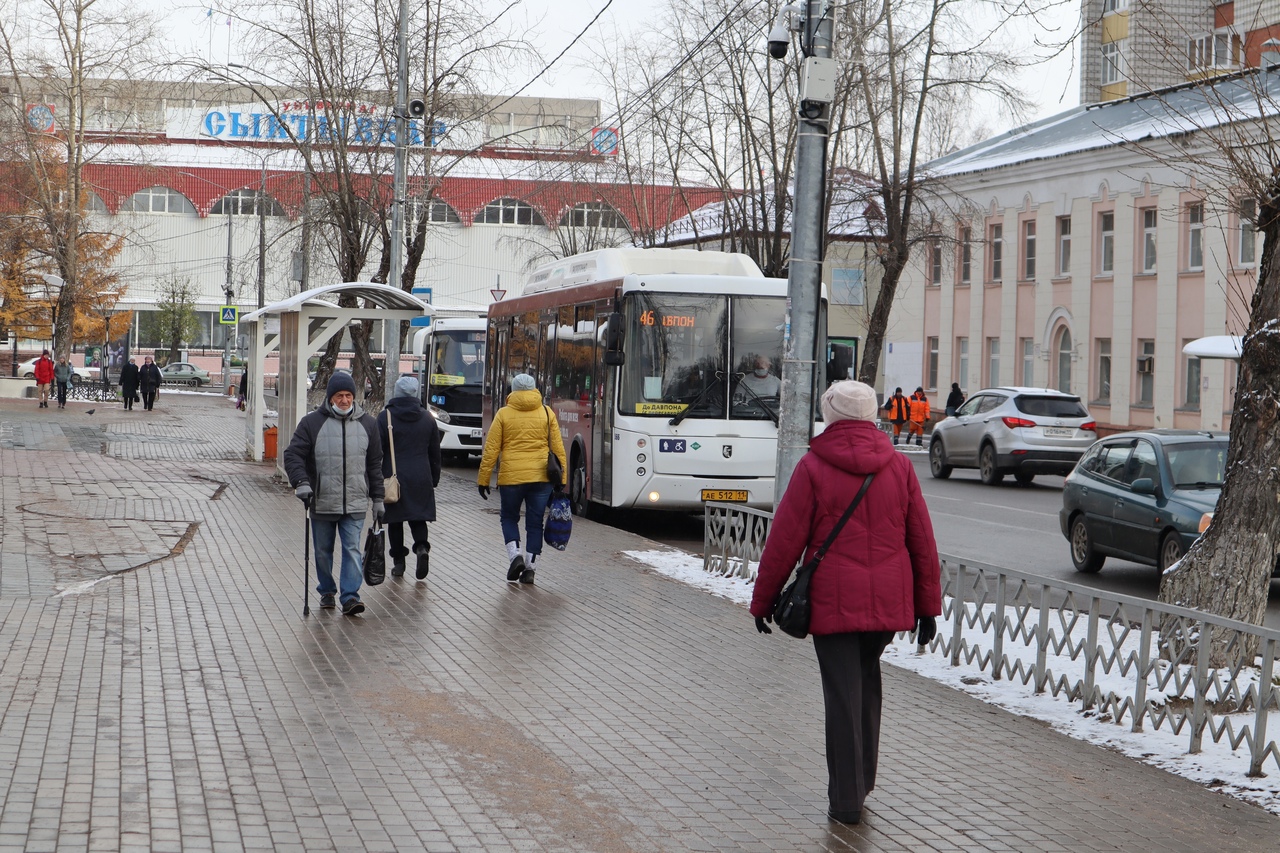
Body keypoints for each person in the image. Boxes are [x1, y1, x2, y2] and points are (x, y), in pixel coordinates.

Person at [750, 379, 941, 826]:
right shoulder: (898, 465)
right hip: (888, 602)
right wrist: (928, 607)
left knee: (842, 695)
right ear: (873, 415)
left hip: (833, 602)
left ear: (830, 415)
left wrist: (763, 601)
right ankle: (862, 783)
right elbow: (922, 541)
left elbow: (784, 540)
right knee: (866, 686)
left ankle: (847, 800)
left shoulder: (813, 466)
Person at [283, 372, 385, 616]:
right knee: (322, 552)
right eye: (339, 395)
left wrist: (378, 498)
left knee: (352, 549)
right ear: (330, 398)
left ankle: (350, 597)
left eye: (348, 395)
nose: (344, 400)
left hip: (356, 500)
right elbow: (293, 454)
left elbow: (374, 465)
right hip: (322, 500)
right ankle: (327, 591)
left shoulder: (369, 424)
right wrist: (301, 482)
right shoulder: (311, 423)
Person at [477, 373, 567, 585]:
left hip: (511, 478)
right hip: (541, 478)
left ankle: (515, 556)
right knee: (535, 523)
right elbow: (558, 448)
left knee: (509, 518)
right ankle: (530, 569)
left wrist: (483, 479)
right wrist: (562, 478)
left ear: (513, 390)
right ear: (535, 389)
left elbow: (491, 449)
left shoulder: (503, 414)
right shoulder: (547, 413)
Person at [376, 376, 441, 580]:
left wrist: (375, 479)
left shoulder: (385, 417)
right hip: (421, 476)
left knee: (395, 520)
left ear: (396, 392)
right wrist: (434, 478)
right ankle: (421, 548)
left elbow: (376, 451)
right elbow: (435, 452)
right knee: (418, 517)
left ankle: (399, 563)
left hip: (394, 477)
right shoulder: (427, 418)